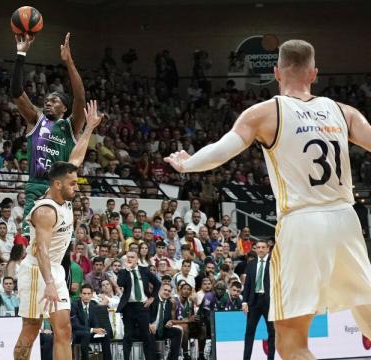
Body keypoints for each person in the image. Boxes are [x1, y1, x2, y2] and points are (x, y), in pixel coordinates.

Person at [165, 39, 371, 359]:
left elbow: (222, 150)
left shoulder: (265, 112)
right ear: (314, 73)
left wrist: (187, 163)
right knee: (368, 317)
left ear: (276, 72)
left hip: (302, 222)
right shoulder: (344, 112)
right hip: (346, 220)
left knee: (290, 343)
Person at [12, 101, 101, 360]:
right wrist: (49, 283)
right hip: (36, 271)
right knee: (31, 330)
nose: (77, 187)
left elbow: (76, 158)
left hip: (54, 272)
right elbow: (39, 250)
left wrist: (89, 128)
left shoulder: (65, 195)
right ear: (57, 183)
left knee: (64, 330)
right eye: (73, 184)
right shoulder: (45, 211)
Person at [10, 33, 86, 237]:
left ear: (64, 108)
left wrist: (69, 62)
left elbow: (80, 97)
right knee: (29, 243)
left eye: (54, 101)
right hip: (36, 186)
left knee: (60, 249)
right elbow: (16, 92)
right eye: (47, 100)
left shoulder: (70, 126)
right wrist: (21, 54)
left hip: (61, 190)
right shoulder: (36, 119)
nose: (48, 103)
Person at [116, 250, 160, 360]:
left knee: (146, 336)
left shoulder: (144, 270)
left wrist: (152, 298)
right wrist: (127, 269)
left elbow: (157, 283)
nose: (129, 259)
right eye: (128, 257)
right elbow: (120, 283)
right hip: (129, 307)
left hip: (143, 306)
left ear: (137, 259)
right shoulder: (123, 271)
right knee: (128, 336)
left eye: (132, 257)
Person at [242, 239, 275, 360]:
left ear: (268, 249)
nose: (260, 249)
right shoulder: (251, 264)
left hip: (269, 302)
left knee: (272, 333)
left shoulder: (274, 263)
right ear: (255, 249)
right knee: (249, 333)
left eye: (263, 247)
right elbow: (247, 285)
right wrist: (244, 301)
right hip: (253, 302)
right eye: (258, 247)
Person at [70, 284, 112, 360]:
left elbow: (95, 322)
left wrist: (99, 330)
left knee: (105, 335)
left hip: (90, 332)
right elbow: (75, 325)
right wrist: (93, 330)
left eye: (89, 294)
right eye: (84, 294)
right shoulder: (74, 305)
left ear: (92, 295)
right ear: (80, 294)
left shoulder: (93, 305)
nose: (86, 296)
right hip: (77, 332)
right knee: (86, 334)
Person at [149, 282, 182, 360]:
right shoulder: (152, 300)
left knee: (177, 332)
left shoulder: (169, 303)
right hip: (150, 328)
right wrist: (149, 324)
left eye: (169, 291)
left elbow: (168, 319)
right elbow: (144, 316)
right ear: (159, 290)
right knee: (149, 333)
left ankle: (172, 358)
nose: (167, 292)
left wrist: (169, 323)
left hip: (162, 329)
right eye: (165, 290)